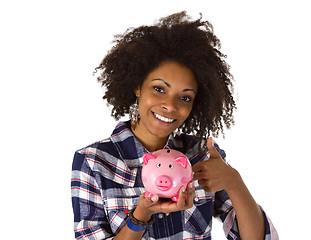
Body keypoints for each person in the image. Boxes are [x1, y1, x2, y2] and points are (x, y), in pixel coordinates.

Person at [71, 11, 278, 240]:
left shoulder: (201, 155)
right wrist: (141, 215)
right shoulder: (93, 162)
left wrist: (234, 180)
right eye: (159, 89)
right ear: (137, 86)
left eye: (185, 97)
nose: (170, 106)